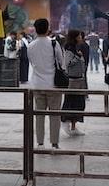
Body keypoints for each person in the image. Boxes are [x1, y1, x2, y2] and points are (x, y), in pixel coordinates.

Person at [27, 18, 64, 149]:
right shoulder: (54, 44)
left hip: (37, 84)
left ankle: (40, 142)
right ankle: (54, 143)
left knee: (39, 115)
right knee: (55, 115)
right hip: (53, 84)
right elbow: (61, 62)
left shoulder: (31, 46)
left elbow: (32, 63)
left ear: (35, 29)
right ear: (48, 28)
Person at [61, 29, 86, 136]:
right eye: (79, 36)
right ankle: (65, 122)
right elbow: (68, 64)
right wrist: (78, 57)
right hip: (72, 80)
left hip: (80, 79)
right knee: (70, 102)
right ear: (75, 37)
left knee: (79, 103)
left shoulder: (76, 48)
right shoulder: (69, 49)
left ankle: (74, 126)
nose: (81, 38)